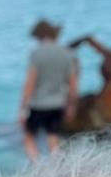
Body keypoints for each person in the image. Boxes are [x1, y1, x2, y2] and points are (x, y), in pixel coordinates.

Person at [19, 19, 80, 160]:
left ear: (39, 36)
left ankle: (38, 167)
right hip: (58, 104)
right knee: (53, 140)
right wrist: (71, 106)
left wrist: (22, 109)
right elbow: (73, 85)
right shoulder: (67, 54)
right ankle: (57, 167)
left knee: (28, 140)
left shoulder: (36, 53)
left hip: (37, 105)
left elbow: (30, 83)